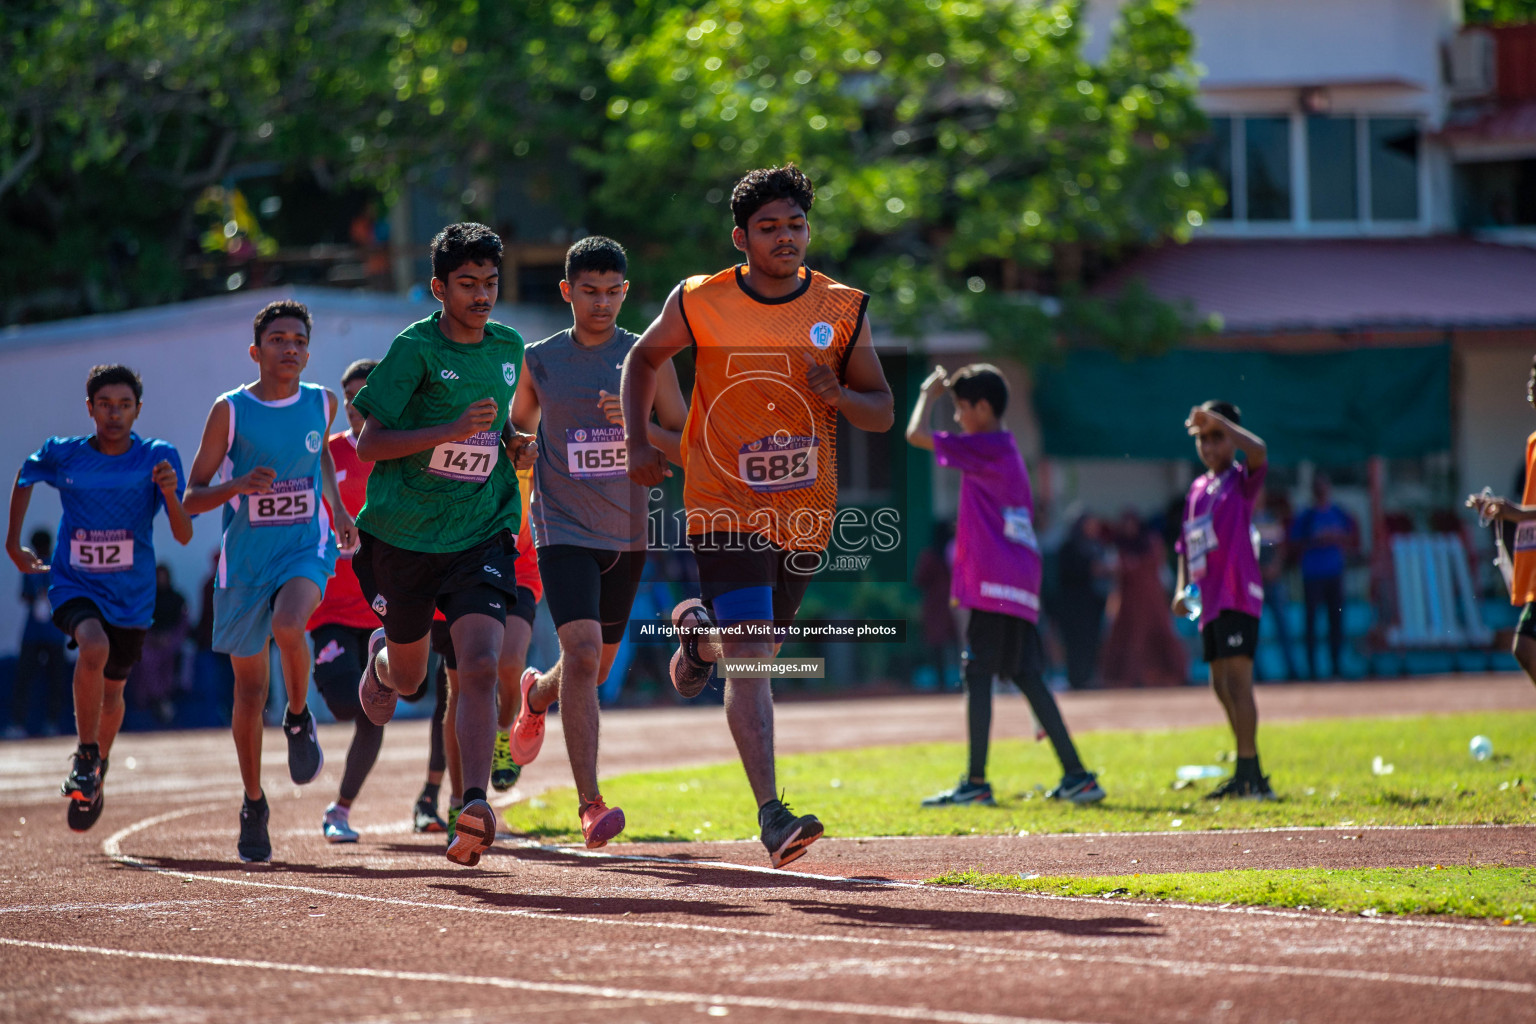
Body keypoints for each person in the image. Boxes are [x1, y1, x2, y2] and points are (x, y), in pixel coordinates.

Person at [622, 165, 895, 868]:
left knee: (751, 651)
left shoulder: (841, 306)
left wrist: (836, 392)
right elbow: (641, 360)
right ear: (741, 237)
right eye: (769, 228)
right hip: (721, 500)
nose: (785, 238)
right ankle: (773, 815)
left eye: (796, 225)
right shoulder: (700, 299)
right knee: (753, 659)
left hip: (806, 512)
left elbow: (882, 411)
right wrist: (634, 439)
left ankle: (694, 636)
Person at [349, 222, 538, 868]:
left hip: (480, 530)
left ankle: (475, 802)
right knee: (408, 681)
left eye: (489, 283)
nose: (482, 295)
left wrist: (512, 442)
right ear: (439, 287)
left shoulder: (510, 347)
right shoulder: (414, 351)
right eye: (467, 284)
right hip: (403, 537)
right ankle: (381, 663)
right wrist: (449, 428)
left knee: (480, 663)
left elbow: (500, 423)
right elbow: (369, 444)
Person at [508, 235, 687, 848]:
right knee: (582, 653)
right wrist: (521, 448)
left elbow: (684, 441)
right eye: (589, 291)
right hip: (561, 526)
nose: (602, 302)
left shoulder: (646, 358)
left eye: (613, 292)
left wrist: (636, 428)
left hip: (628, 532)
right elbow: (518, 433)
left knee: (594, 666)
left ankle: (535, 693)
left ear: (627, 292)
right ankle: (591, 803)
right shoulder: (541, 360)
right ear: (567, 291)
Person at [183, 301, 356, 862]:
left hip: (305, 547)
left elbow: (321, 464)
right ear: (257, 351)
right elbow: (193, 495)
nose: (290, 348)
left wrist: (340, 512)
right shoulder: (230, 411)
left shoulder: (322, 402)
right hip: (245, 565)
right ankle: (254, 802)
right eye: (278, 339)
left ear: (309, 350)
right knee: (250, 692)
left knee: (290, 622)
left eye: (300, 340)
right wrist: (239, 488)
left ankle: (300, 716)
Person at [5, 364, 194, 831]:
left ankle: (98, 767)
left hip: (131, 596)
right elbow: (25, 476)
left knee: (114, 693)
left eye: (124, 406)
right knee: (93, 645)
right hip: (75, 583)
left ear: (138, 410)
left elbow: (184, 534)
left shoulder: (158, 457)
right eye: (105, 405)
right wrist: (12, 543)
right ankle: (86, 755)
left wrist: (170, 494)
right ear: (89, 408)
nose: (114, 414)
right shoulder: (64, 454)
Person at [906, 364, 1104, 806]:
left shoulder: (987, 446)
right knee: (1027, 675)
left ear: (981, 407)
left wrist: (927, 394)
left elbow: (915, 435)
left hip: (996, 581)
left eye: (960, 409)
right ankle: (1077, 776)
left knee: (977, 673)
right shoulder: (1002, 447)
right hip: (1015, 578)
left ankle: (976, 783)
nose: (957, 418)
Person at [306, 358, 449, 842]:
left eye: (363, 395)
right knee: (348, 704)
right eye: (347, 397)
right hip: (330, 609)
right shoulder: (327, 455)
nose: (354, 406)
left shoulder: (407, 453)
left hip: (389, 608)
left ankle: (340, 810)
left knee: (387, 702)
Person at [1172, 400, 1275, 800]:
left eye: (1217, 438)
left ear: (1231, 439)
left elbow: (1259, 450)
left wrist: (1221, 423)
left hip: (1237, 592)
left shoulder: (1240, 479)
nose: (1210, 447)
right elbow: (1184, 545)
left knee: (1238, 682)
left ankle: (1250, 773)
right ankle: (1248, 768)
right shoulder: (1198, 489)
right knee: (1220, 685)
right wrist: (1181, 588)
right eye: (1203, 439)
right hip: (1210, 600)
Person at [1467, 354, 1536, 693]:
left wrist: (1517, 513)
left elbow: (1525, 510)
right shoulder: (1533, 443)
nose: (1530, 382)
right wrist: (1500, 510)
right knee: (1524, 648)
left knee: (1524, 646)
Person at [1099, 509, 1187, 688]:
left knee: (1161, 638)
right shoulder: (1120, 547)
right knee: (1129, 641)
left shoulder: (1151, 543)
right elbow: (1114, 574)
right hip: (1129, 606)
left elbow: (1163, 575)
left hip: (1152, 603)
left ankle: (1164, 676)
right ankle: (1130, 678)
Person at [1289, 473, 1357, 680]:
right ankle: (1312, 671)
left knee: (1335, 621)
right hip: (1312, 575)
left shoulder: (1339, 513)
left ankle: (1336, 666)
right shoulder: (1307, 516)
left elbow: (1352, 537)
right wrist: (1316, 539)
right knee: (1312, 624)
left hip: (1334, 574)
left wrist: (1334, 537)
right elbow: (1294, 542)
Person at [7, 529, 69, 738]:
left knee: (53, 679)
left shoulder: (51, 565)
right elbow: (25, 595)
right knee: (28, 678)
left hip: (51, 631)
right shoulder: (31, 566)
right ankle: (21, 722)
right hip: (37, 632)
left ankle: (49, 722)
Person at [128, 565, 191, 723]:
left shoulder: (177, 599)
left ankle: (166, 698)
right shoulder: (146, 599)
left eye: (164, 576)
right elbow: (140, 623)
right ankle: (156, 700)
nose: (161, 580)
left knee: (179, 656)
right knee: (145, 658)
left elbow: (184, 624)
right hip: (150, 641)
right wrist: (153, 638)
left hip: (172, 641)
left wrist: (170, 638)